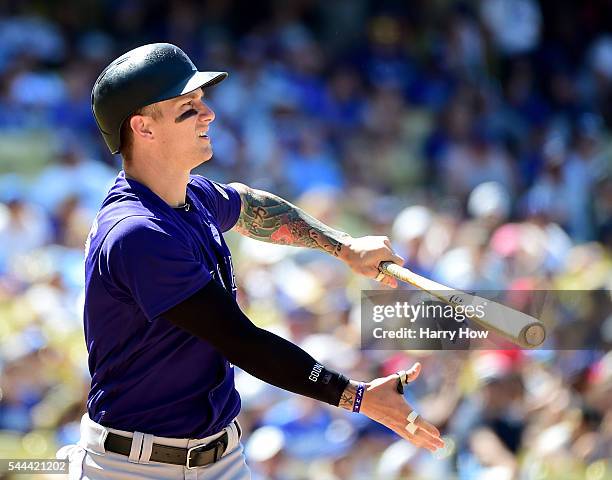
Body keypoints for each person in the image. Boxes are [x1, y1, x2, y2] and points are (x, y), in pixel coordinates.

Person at [57, 43, 444, 479]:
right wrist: (357, 397)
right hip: (133, 467)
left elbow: (250, 205)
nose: (209, 115)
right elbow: (244, 342)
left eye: (202, 102)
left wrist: (343, 246)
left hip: (221, 456)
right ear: (143, 128)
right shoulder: (137, 233)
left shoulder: (189, 195)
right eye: (188, 108)